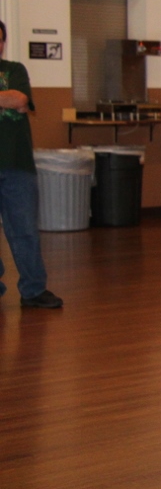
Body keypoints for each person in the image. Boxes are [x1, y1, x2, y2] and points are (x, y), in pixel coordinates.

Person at [0, 20, 62, 309]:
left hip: (17, 164)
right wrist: (8, 99)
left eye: (0, 39)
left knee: (24, 228)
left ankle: (33, 290)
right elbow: (13, 101)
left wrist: (16, 100)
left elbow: (21, 99)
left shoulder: (15, 69)